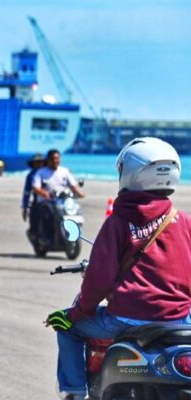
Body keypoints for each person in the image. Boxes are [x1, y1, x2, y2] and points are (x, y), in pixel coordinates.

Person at [45, 137, 191, 400]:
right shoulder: (184, 222)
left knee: (66, 327)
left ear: (131, 172)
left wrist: (76, 313)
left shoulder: (119, 222)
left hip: (126, 318)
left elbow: (98, 281)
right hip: (180, 319)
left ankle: (75, 392)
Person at [31, 149, 85, 244]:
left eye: (57, 158)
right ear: (48, 160)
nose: (55, 161)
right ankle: (46, 236)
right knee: (49, 214)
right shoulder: (41, 172)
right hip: (46, 201)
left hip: (62, 201)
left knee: (75, 210)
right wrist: (45, 193)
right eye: (53, 159)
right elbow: (36, 188)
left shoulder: (64, 171)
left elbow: (73, 186)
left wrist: (80, 194)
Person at [21, 153, 45, 224]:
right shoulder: (31, 176)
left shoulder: (49, 173)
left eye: (40, 162)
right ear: (33, 164)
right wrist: (25, 207)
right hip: (37, 202)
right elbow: (27, 192)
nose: (39, 164)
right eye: (36, 162)